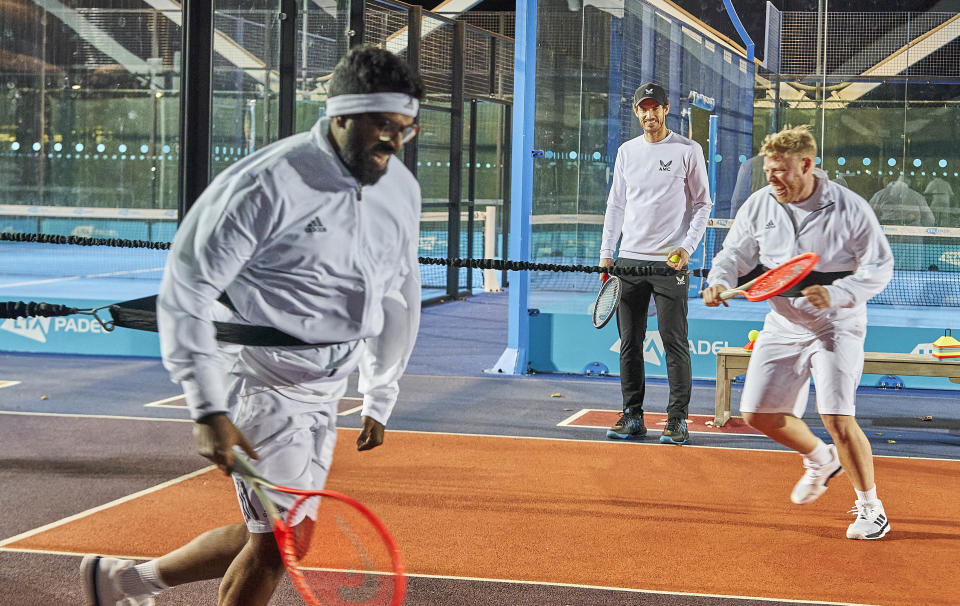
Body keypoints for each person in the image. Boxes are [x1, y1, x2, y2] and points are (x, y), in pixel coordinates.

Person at [81, 45, 425, 605]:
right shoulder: (263, 185)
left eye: (405, 129)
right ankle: (125, 581)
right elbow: (186, 289)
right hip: (258, 381)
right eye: (382, 125)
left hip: (326, 387)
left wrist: (379, 395)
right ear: (342, 114)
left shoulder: (399, 189)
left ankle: (122, 581)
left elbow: (399, 292)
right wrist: (207, 410)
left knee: (274, 534)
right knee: (279, 545)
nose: (394, 140)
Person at [702, 124, 894, 540]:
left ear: (807, 165)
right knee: (757, 414)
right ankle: (820, 459)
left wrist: (839, 293)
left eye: (781, 170)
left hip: (835, 326)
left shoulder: (850, 208)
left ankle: (871, 509)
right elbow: (733, 253)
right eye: (768, 169)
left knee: (837, 417)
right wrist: (719, 280)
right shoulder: (760, 204)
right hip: (783, 322)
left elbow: (880, 267)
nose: (772, 178)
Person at [600, 81, 712, 445]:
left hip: (670, 265)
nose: (649, 114)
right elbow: (616, 204)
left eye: (656, 108)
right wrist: (607, 252)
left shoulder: (688, 150)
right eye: (643, 108)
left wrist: (686, 248)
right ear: (636, 112)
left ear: (666, 110)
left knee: (674, 343)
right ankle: (633, 416)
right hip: (629, 262)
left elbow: (702, 205)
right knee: (629, 344)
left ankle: (677, 421)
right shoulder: (626, 152)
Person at [869, 174, 934, 226]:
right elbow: (930, 220)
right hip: (913, 237)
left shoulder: (879, 195)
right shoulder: (917, 196)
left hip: (886, 237)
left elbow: (869, 216)